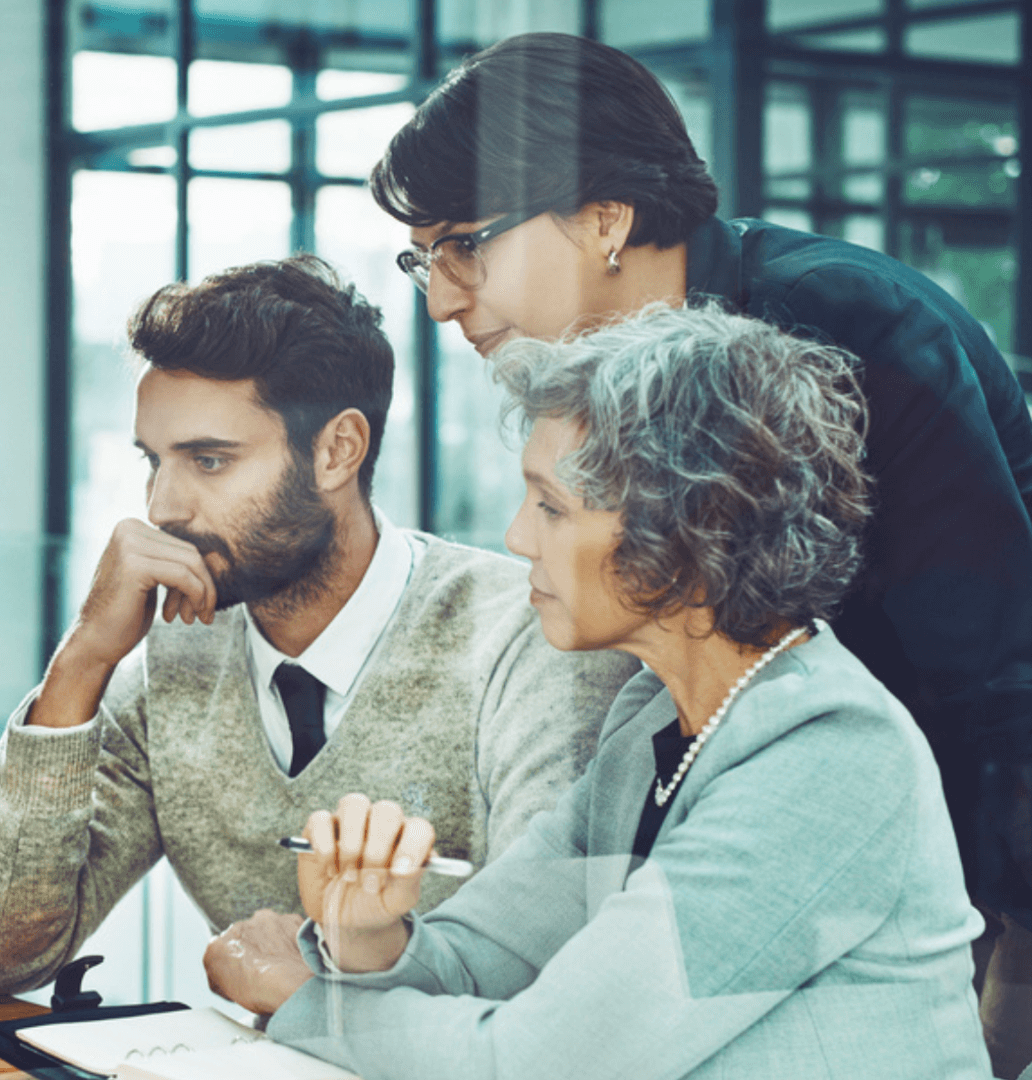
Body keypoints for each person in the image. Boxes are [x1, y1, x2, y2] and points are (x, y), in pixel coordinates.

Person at [367, 31, 1032, 1070]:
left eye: (464, 243)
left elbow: (989, 672)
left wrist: (995, 957)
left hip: (937, 838)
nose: (443, 295)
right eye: (422, 260)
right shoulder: (593, 392)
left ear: (602, 218)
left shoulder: (844, 329)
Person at [207, 304, 991, 1078]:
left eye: (551, 506)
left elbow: (540, 1063)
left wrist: (306, 1002)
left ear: (689, 532)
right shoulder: (651, 723)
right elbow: (480, 959)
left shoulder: (830, 762)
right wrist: (368, 934)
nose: (516, 537)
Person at [0, 255, 637, 994]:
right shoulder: (178, 655)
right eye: (154, 461)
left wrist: (319, 987)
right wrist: (81, 663)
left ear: (338, 451)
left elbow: (553, 973)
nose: (164, 506)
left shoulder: (528, 642)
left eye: (209, 460)